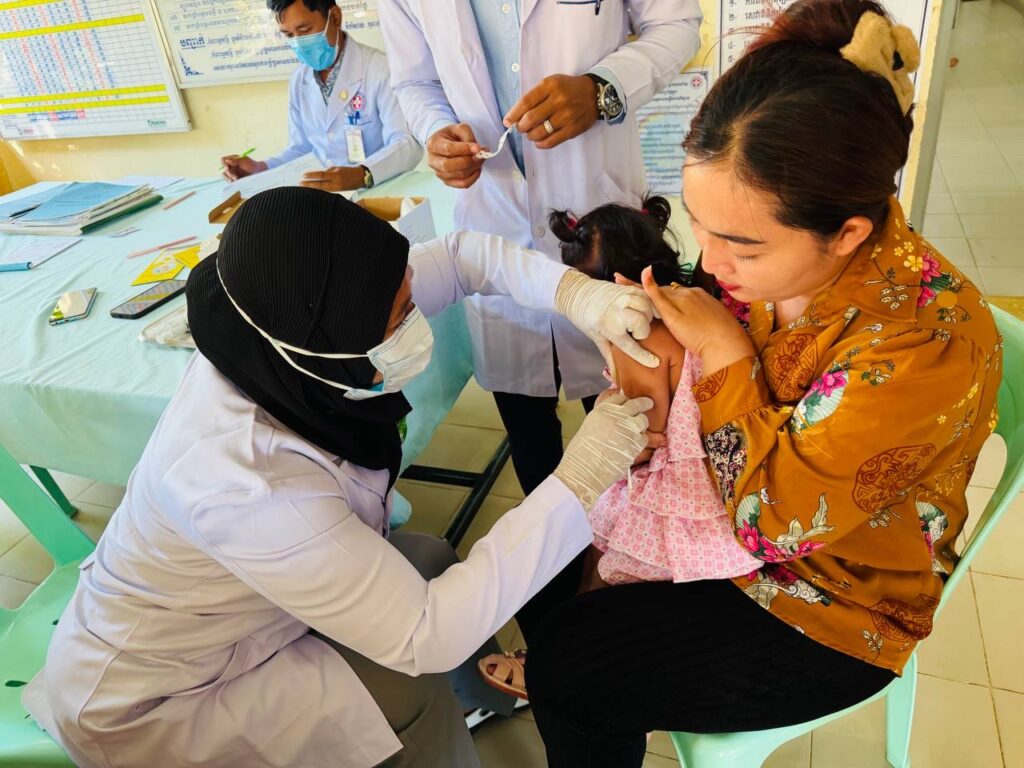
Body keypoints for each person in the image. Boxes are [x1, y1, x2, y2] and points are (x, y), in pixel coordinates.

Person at [513, 1, 1004, 765]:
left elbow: (769, 525)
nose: (711, 264)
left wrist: (720, 348)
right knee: (554, 576)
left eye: (741, 246)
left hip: (828, 598)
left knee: (571, 667)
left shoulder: (919, 346)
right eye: (700, 226)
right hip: (737, 527)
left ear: (847, 233)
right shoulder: (792, 260)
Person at [22, 187, 662, 768]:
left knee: (431, 557)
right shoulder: (244, 481)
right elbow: (428, 635)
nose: (416, 323)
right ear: (328, 348)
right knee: (409, 684)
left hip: (246, 605)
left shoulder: (280, 323)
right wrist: (582, 477)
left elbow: (461, 257)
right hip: (168, 695)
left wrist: (577, 294)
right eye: (401, 315)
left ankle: (483, 700)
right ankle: (437, 735)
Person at [378, 0, 702, 497]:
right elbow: (414, 80)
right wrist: (435, 132)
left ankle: (633, 535)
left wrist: (602, 88)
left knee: (637, 423)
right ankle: (551, 540)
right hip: (493, 214)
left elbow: (676, 23)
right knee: (529, 435)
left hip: (600, 218)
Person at [477, 197, 761, 699]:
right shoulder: (694, 301)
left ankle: (569, 675)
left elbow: (643, 439)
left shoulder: (640, 337)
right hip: (720, 479)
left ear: (611, 287)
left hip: (673, 490)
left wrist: (600, 440)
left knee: (602, 569)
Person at [221, 0, 421, 193]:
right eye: (288, 35)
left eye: (305, 30)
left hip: (380, 193)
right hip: (323, 200)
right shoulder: (299, 80)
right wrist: (261, 169)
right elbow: (301, 150)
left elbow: (406, 143)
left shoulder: (380, 69)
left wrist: (363, 174)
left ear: (335, 17)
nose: (298, 43)